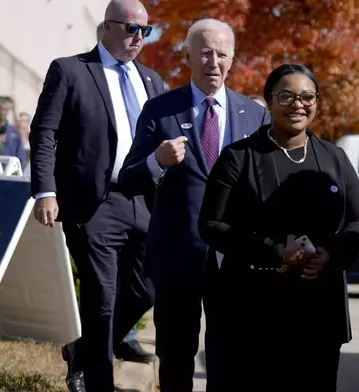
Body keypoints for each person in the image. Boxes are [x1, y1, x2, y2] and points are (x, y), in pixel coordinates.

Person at [198, 64, 359, 392]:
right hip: (253, 306)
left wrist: (331, 255)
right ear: (269, 101)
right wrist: (276, 250)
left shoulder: (333, 157)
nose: (298, 104)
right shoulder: (240, 157)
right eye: (287, 96)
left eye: (307, 97)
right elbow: (210, 224)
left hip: (319, 307)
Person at [118, 18, 270, 392]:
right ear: (188, 56)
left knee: (229, 357)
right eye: (204, 53)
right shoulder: (160, 111)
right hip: (177, 256)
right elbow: (128, 178)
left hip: (233, 258)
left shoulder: (255, 115)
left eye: (221, 54)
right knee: (177, 356)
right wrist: (156, 161)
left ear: (232, 60)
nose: (213, 62)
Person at [29, 1, 164, 391]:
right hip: (94, 202)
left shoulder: (152, 81)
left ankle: (82, 351)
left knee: (148, 287)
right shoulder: (70, 70)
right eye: (130, 28)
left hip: (143, 200)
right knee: (102, 297)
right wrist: (46, 190)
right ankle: (98, 381)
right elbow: (44, 134)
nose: (139, 37)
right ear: (106, 27)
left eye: (146, 31)